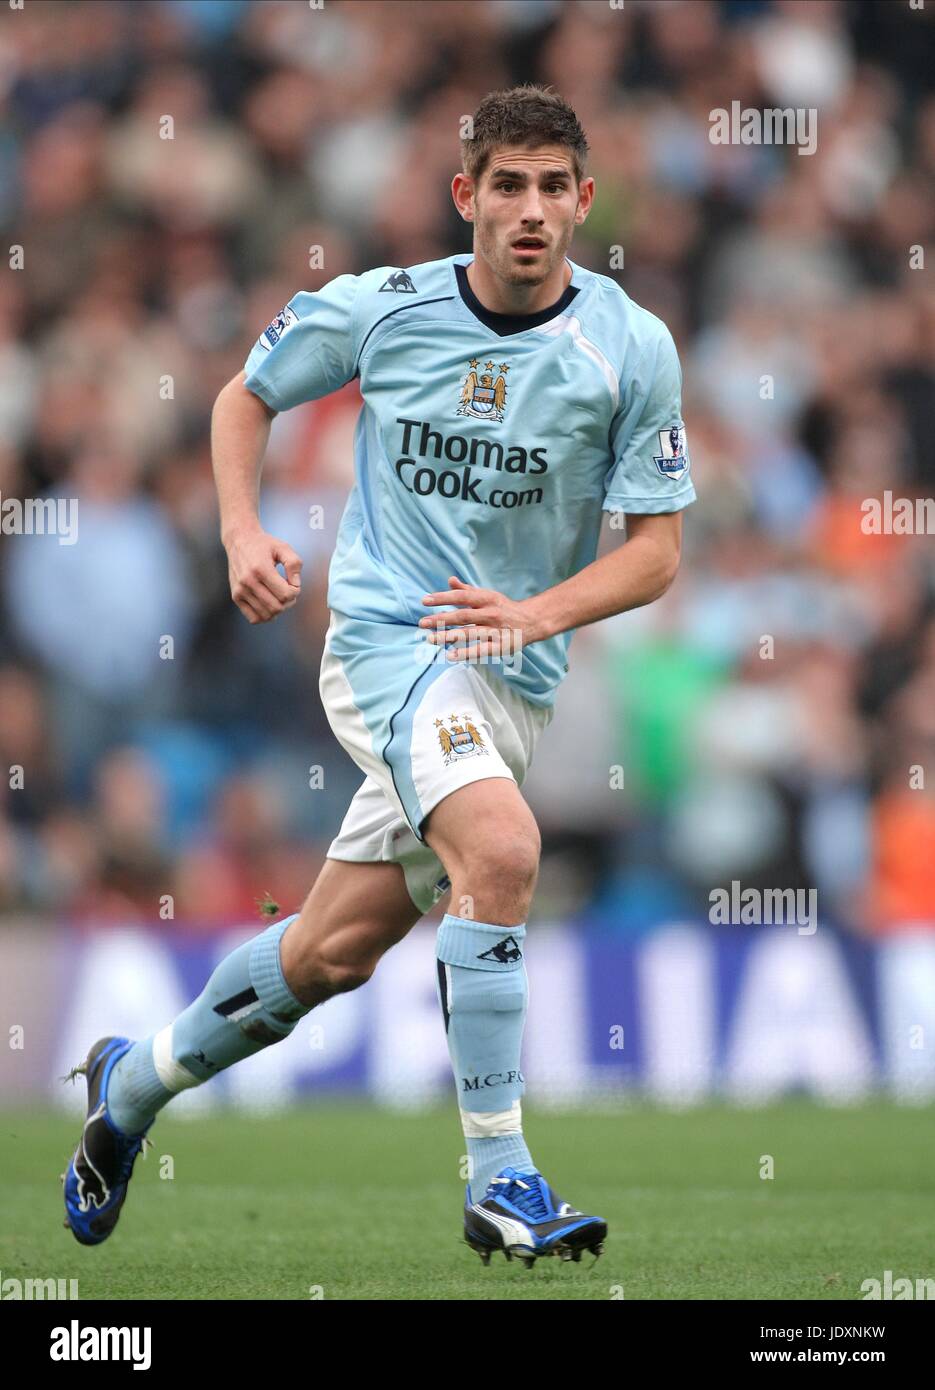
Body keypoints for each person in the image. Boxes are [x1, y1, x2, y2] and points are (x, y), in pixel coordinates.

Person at [64, 84, 695, 1267]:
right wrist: (244, 534)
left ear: (583, 201)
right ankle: (502, 1176)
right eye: (505, 184)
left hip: (510, 672)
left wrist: (535, 613)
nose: (529, 210)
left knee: (328, 953)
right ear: (465, 196)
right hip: (385, 643)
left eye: (553, 186)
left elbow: (657, 553)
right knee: (502, 851)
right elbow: (242, 398)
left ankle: (127, 1088)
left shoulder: (629, 347)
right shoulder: (384, 310)